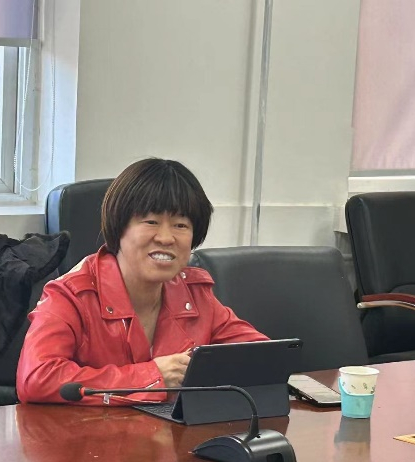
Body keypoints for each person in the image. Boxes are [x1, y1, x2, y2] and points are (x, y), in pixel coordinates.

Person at [17, 158, 268, 405]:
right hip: (88, 431)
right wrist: (152, 377)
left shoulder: (195, 294)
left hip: (170, 431)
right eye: (151, 222)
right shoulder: (71, 294)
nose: (166, 238)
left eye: (181, 225)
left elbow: (263, 357)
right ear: (119, 228)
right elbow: (37, 377)